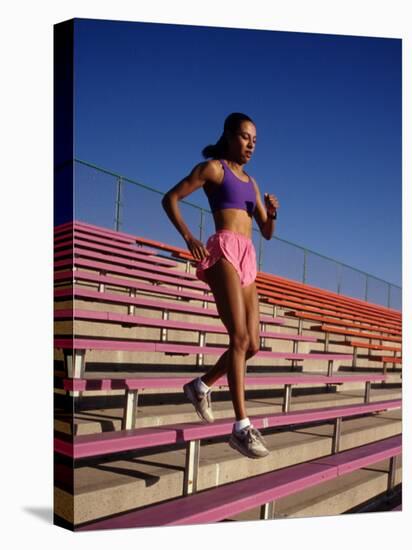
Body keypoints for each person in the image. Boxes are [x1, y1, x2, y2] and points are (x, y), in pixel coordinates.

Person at [161, 112, 279, 459]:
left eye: (255, 141)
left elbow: (268, 232)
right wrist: (187, 236)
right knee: (239, 338)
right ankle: (242, 427)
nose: (251, 145)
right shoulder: (214, 169)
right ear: (229, 135)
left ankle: (201, 386)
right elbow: (170, 198)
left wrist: (272, 213)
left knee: (253, 344)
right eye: (245, 137)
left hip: (248, 255)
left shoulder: (252, 183)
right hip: (223, 248)